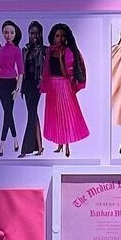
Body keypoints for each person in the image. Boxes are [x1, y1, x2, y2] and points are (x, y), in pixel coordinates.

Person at [40, 23, 88, 158]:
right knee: (55, 116)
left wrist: (61, 59)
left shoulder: (68, 52)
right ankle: (59, 144)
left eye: (62, 36)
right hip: (52, 87)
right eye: (57, 36)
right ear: (53, 37)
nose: (60, 38)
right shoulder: (50, 51)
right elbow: (47, 69)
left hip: (64, 86)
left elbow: (66, 74)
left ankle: (67, 144)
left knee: (65, 115)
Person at [0, 20, 24, 155]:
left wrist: (18, 88)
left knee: (8, 113)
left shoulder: (16, 50)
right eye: (6, 32)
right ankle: (16, 140)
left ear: (15, 34)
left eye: (11, 33)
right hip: (1, 83)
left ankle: (2, 144)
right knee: (8, 113)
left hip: (11, 83)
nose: (8, 35)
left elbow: (21, 71)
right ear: (2, 33)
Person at [19, 20, 46, 157]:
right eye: (32, 33)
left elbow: (47, 69)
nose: (34, 36)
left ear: (40, 34)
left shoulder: (44, 50)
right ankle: (40, 147)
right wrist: (20, 87)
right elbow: (21, 70)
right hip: (27, 85)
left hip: (37, 85)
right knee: (33, 114)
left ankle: (25, 149)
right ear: (28, 34)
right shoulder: (24, 50)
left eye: (37, 33)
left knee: (31, 115)